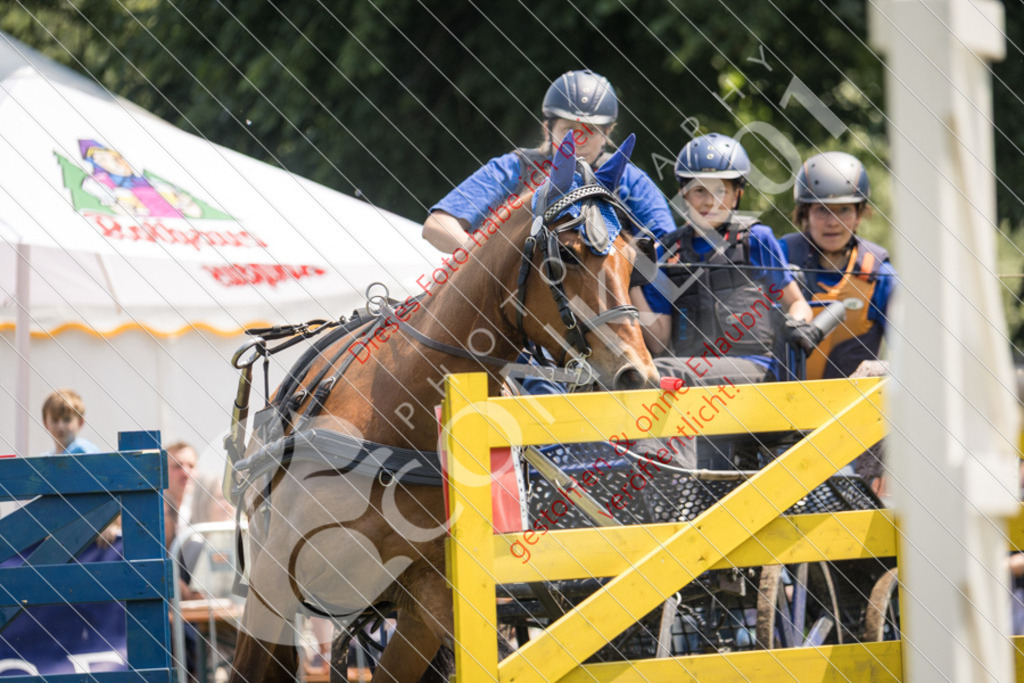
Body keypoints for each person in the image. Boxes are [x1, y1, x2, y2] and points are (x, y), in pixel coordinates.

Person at [422, 69, 674, 260]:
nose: (578, 140)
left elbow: (669, 246)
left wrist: (612, 259)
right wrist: (488, 261)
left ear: (607, 134)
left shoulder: (630, 179)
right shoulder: (514, 168)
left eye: (591, 130)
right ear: (547, 130)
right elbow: (437, 225)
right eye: (568, 130)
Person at [638, 133, 814, 385]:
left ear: (736, 195)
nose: (709, 201)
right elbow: (658, 341)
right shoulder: (666, 252)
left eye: (720, 190)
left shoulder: (757, 238)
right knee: (643, 372)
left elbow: (798, 304)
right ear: (683, 193)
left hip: (757, 369)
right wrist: (634, 281)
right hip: (688, 371)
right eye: (699, 190)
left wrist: (798, 323)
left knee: (660, 373)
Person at [781, 151, 897, 380]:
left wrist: (885, 367)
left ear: (859, 214)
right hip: (779, 406)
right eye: (822, 210)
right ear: (805, 214)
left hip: (855, 410)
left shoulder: (880, 274)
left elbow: (921, 353)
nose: (832, 222)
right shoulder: (780, 257)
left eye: (844, 209)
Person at [39, 388, 100, 456]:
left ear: (80, 422)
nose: (60, 426)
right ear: (45, 423)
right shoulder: (45, 459)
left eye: (67, 420)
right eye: (55, 420)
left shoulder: (84, 450)